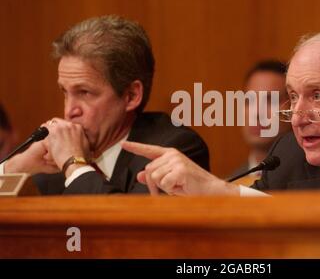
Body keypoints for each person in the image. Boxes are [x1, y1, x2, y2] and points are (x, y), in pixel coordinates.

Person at [122, 27, 320, 196]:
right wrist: (194, 200)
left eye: (317, 95)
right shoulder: (291, 154)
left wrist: (219, 191)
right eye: (293, 97)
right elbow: (258, 227)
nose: (297, 116)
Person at [0, 15, 209, 194]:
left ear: (131, 96)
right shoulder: (53, 165)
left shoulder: (174, 149)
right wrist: (14, 168)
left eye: (85, 93)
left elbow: (130, 232)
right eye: (65, 92)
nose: (69, 111)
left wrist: (75, 166)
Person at [230, 60, 290, 186]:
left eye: (270, 101)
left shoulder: (316, 182)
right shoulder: (230, 183)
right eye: (249, 101)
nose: (257, 113)